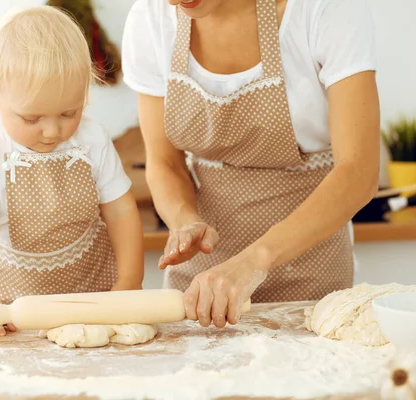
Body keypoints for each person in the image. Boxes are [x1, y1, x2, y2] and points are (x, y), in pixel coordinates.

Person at [121, 0, 380, 328]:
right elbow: (164, 161)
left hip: (310, 274)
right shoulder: (151, 17)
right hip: (203, 283)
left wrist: (255, 260)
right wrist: (183, 220)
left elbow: (359, 171)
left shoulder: (324, 9)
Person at [0, 6, 144, 338]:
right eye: (31, 119)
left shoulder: (92, 137)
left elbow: (121, 211)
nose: (53, 131)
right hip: (15, 308)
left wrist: (129, 280)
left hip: (95, 297)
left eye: (70, 112)